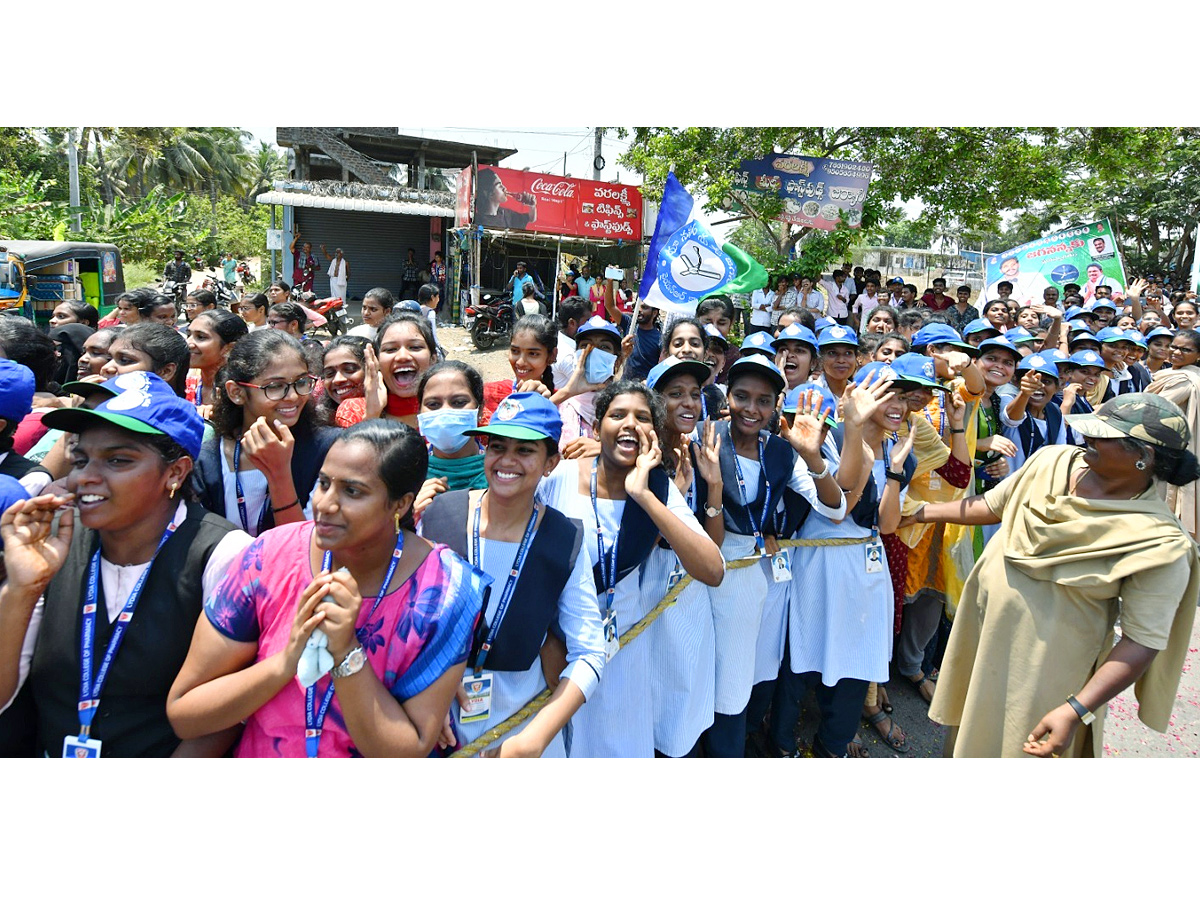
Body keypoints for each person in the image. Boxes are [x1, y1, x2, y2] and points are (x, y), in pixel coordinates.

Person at [167, 420, 488, 757]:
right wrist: (285, 663)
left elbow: (406, 752)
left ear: (401, 504)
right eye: (323, 483)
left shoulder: (446, 590)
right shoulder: (268, 556)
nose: (325, 504)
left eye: (353, 491)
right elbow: (186, 716)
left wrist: (347, 653)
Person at [910, 393, 1200, 757]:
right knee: (968, 742)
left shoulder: (1161, 544)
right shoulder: (1053, 461)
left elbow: (1142, 640)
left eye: (1102, 436)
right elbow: (992, 505)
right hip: (983, 641)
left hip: (1044, 674)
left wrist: (1076, 709)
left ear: (1144, 457)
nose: (1087, 440)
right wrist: (920, 512)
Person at [0, 371, 250, 757]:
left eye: (118, 460)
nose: (85, 477)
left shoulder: (223, 554)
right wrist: (22, 589)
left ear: (176, 471)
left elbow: (222, 719)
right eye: (80, 460)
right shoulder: (53, 541)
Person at [537, 381, 723, 756]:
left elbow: (712, 569)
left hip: (622, 652)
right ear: (595, 427)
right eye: (617, 415)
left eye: (642, 417)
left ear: (654, 433)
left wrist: (644, 496)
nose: (629, 424)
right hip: (558, 646)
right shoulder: (558, 480)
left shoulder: (656, 488)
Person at [421, 392, 605, 756]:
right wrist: (426, 684)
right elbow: (413, 619)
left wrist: (534, 739)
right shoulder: (442, 515)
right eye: (497, 447)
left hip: (520, 728)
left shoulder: (563, 537)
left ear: (550, 462)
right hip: (433, 721)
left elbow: (589, 653)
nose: (506, 461)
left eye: (525, 451)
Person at [696, 356, 853, 756]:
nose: (752, 409)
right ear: (727, 397)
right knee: (693, 674)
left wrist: (812, 456)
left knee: (735, 678)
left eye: (764, 401)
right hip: (695, 570)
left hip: (747, 576)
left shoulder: (782, 452)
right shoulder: (703, 436)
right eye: (743, 397)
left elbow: (834, 510)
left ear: (775, 406)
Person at [764, 364, 918, 757]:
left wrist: (896, 471)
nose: (896, 404)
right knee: (803, 655)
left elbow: (886, 524)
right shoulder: (824, 438)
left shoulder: (899, 452)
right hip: (818, 561)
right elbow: (840, 506)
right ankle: (781, 743)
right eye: (885, 394)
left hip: (865, 566)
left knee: (857, 657)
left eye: (902, 396)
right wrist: (853, 433)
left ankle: (832, 744)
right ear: (855, 395)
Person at [645, 358, 724, 756]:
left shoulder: (698, 454)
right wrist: (670, 495)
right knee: (654, 698)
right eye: (675, 394)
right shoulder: (643, 460)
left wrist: (713, 486)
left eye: (695, 394)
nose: (688, 403)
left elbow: (714, 546)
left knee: (686, 693)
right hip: (651, 597)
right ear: (655, 402)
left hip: (691, 592)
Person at [191, 329, 338, 539]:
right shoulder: (207, 459)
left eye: (301, 382)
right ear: (236, 393)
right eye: (275, 386)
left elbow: (303, 548)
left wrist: (279, 474)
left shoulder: (329, 448)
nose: (293, 396)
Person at [336, 313, 437, 430]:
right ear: (377, 361)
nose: (402, 357)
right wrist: (372, 414)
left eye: (415, 347)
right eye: (390, 349)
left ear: (433, 359)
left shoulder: (449, 411)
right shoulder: (354, 411)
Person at [1145, 330, 1200, 538]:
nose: (1176, 352)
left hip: (1170, 448)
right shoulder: (1173, 373)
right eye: (1174, 347)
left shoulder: (1186, 379)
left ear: (1198, 355)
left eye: (1186, 350)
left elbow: (1153, 407)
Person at [413, 360, 488, 498]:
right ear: (419, 411)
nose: (445, 412)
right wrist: (412, 513)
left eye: (459, 402)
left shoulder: (500, 469)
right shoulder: (408, 470)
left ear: (480, 409)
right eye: (433, 404)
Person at [481, 314, 557, 423]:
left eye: (533, 354)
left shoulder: (563, 404)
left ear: (551, 356)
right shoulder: (490, 394)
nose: (520, 362)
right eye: (515, 351)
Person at [101, 323, 190, 398]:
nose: (106, 368)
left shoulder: (175, 417)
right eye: (109, 358)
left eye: (125, 360)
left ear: (165, 371)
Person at [184, 308, 247, 414]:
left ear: (230, 348)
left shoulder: (240, 393)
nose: (188, 343)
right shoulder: (184, 385)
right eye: (188, 335)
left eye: (200, 337)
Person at [318, 336, 370, 421]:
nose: (338, 379)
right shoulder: (318, 424)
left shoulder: (396, 413)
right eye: (330, 373)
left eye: (349, 369)